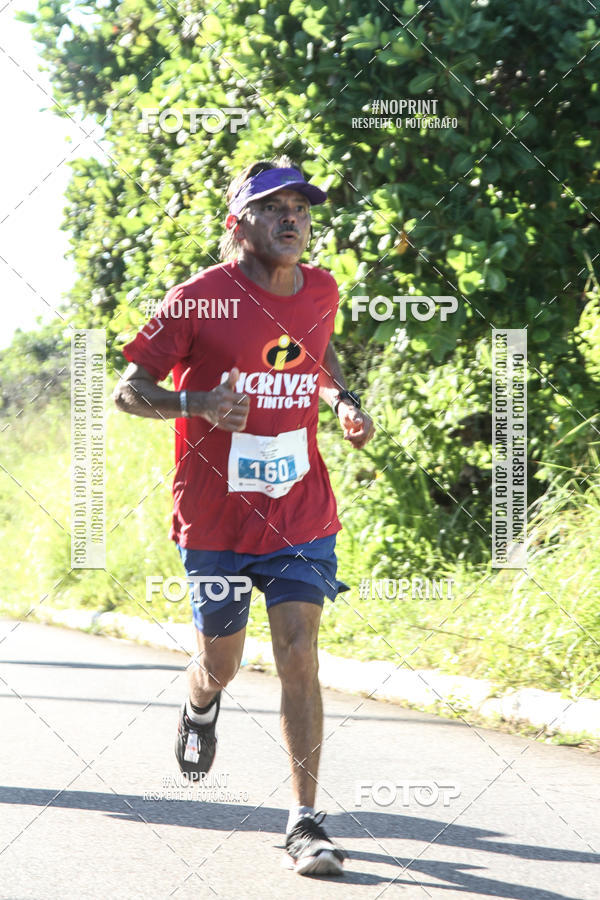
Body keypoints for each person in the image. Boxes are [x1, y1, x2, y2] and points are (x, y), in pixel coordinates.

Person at [113, 155, 374, 876]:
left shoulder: (322, 289)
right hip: (217, 520)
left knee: (298, 651)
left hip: (300, 509)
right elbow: (128, 392)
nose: (292, 217)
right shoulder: (198, 298)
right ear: (239, 224)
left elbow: (317, 361)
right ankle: (200, 704)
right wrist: (197, 404)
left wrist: (343, 402)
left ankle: (306, 821)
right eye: (272, 207)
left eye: (301, 206)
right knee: (222, 664)